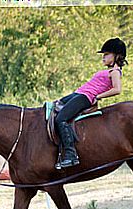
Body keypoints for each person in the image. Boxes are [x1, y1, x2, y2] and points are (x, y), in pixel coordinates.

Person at [54, 37, 127, 169]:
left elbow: (117, 89)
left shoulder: (115, 72)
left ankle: (71, 154)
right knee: (54, 108)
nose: (103, 58)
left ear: (117, 56)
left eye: (106, 55)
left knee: (61, 119)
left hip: (86, 97)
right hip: (78, 94)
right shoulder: (107, 70)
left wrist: (98, 97)